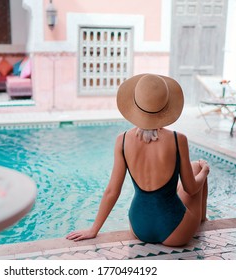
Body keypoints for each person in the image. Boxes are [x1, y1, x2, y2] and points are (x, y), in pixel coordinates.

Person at [66, 73, 210, 246]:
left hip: (139, 227)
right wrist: (205, 171)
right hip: (175, 231)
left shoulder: (123, 140)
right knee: (197, 169)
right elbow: (191, 188)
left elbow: (112, 191)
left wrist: (93, 230)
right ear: (165, 106)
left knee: (187, 175)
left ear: (136, 106)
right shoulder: (178, 139)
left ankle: (198, 216)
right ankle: (202, 219)